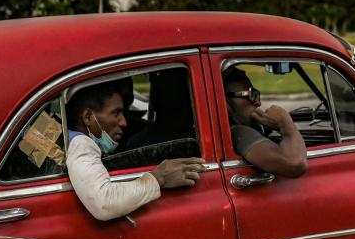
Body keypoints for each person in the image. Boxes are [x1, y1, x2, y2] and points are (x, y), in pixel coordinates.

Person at [65, 80, 205, 221]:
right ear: (88, 117)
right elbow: (104, 203)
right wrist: (160, 177)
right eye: (116, 113)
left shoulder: (69, 138)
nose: (123, 122)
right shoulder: (80, 144)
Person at [223, 67, 307, 177]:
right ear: (224, 101)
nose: (258, 102)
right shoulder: (237, 132)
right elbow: (294, 164)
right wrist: (285, 124)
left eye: (256, 94)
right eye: (250, 94)